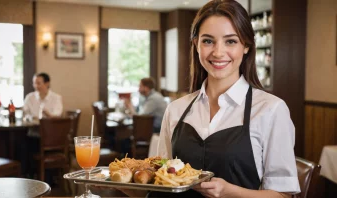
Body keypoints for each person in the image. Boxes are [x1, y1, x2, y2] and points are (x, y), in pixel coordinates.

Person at [120, 0, 300, 197]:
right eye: (208, 41)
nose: (218, 52)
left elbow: (283, 195)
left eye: (230, 41)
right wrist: (120, 183)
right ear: (196, 44)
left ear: (246, 46)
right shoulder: (176, 110)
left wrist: (230, 192)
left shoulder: (271, 109)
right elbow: (161, 188)